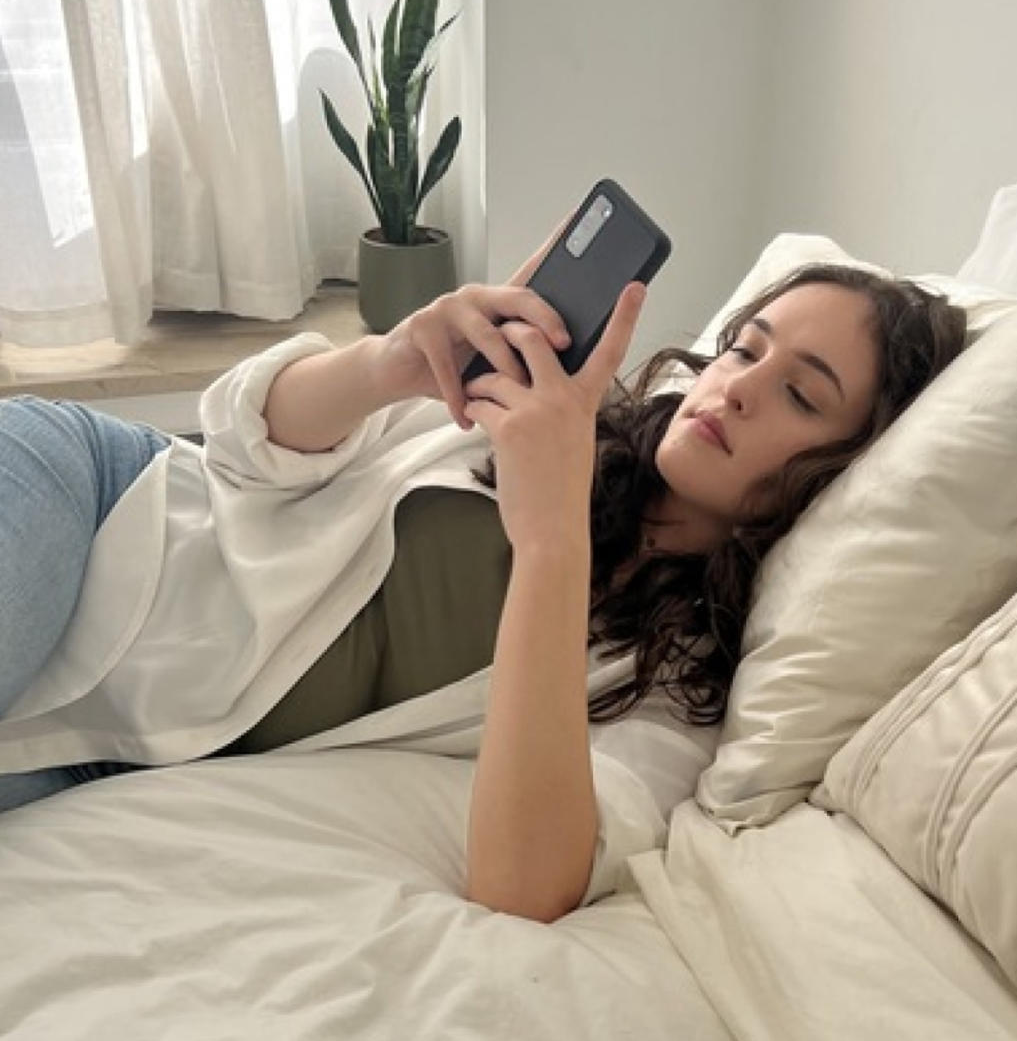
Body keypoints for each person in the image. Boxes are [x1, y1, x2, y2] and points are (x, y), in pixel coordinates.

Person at [0, 241, 967, 920]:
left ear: (844, 473)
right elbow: (245, 446)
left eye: (800, 393)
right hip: (99, 510)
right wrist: (392, 361)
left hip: (113, 743)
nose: (738, 387)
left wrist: (551, 543)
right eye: (745, 347)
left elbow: (522, 880)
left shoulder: (676, 681)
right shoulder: (554, 410)